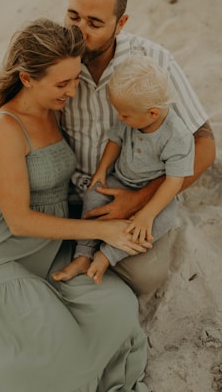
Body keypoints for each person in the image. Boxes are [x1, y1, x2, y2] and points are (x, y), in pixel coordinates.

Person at [0, 0, 215, 294]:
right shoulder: (57, 59)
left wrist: (139, 199)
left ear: (121, 23)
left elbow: (204, 143)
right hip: (52, 182)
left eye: (95, 23)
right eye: (73, 16)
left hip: (120, 192)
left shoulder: (153, 63)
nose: (79, 31)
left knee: (143, 277)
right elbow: (13, 117)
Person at [0, 18, 150, 392]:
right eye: (63, 83)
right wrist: (104, 229)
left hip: (50, 251)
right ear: (27, 79)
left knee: (116, 310)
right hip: (4, 256)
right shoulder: (5, 125)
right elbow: (19, 221)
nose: (73, 91)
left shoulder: (55, 107)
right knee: (59, 363)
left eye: (75, 79)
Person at [52, 55, 195, 284]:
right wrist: (101, 171)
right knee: (94, 195)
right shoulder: (130, 116)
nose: (119, 117)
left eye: (125, 115)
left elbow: (174, 181)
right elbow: (115, 140)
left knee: (162, 221)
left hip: (155, 194)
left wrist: (146, 214)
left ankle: (107, 255)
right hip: (120, 179)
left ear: (153, 114)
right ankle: (83, 253)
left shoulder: (177, 137)